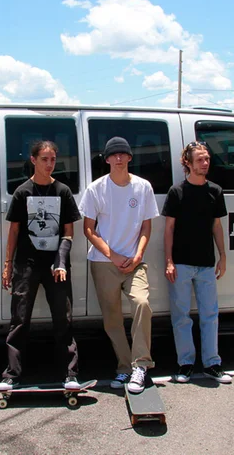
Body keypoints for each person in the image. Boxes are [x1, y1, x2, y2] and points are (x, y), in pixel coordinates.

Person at [0, 140, 82, 391]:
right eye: (44, 159)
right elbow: (13, 231)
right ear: (33, 160)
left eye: (53, 159)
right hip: (27, 263)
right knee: (19, 319)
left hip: (57, 265)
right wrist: (7, 265)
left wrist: (61, 261)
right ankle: (11, 375)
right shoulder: (23, 192)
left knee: (63, 320)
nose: (49, 164)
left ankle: (70, 374)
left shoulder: (63, 191)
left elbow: (68, 232)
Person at [79, 137, 159, 393]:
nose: (119, 158)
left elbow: (147, 226)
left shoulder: (143, 187)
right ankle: (125, 368)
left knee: (142, 304)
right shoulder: (96, 189)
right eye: (114, 155)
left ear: (130, 158)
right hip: (103, 262)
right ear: (107, 159)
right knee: (112, 319)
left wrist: (137, 255)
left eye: (124, 154)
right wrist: (112, 255)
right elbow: (89, 230)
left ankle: (141, 365)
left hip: (135, 262)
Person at [162, 141, 232, 384]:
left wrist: (223, 256)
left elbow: (217, 226)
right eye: (200, 159)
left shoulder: (215, 191)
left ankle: (212, 363)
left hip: (205, 263)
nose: (205, 163)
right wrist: (169, 261)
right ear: (188, 163)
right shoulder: (176, 192)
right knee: (181, 316)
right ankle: (186, 364)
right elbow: (168, 228)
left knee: (210, 314)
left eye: (207, 159)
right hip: (180, 263)